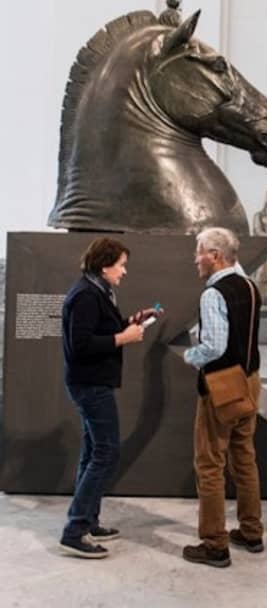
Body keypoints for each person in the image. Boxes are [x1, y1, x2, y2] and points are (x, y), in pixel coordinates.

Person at [59, 237, 159, 558]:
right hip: (90, 384)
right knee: (106, 453)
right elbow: (81, 345)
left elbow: (99, 330)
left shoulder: (97, 290)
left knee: (94, 451)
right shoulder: (86, 295)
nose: (124, 271)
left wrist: (130, 322)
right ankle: (75, 530)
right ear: (105, 265)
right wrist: (123, 337)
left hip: (93, 383)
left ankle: (87, 521)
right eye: (121, 265)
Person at [182, 227, 263, 568]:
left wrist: (190, 355)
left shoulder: (213, 294)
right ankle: (252, 531)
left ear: (215, 256)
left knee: (210, 463)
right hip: (250, 380)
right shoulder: (250, 286)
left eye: (199, 252)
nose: (195, 259)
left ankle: (215, 544)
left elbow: (214, 346)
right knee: (244, 457)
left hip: (222, 386)